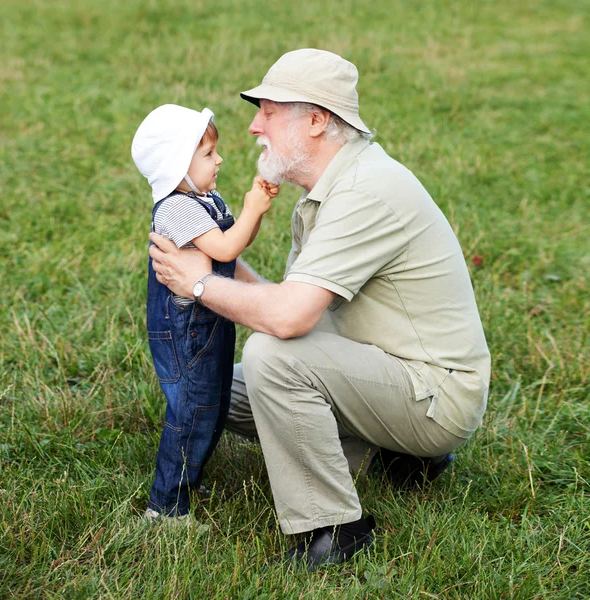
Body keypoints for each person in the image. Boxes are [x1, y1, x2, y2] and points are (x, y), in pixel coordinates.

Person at [148, 49, 491, 565]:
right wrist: (211, 262)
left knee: (274, 359)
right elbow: (294, 300)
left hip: (434, 395)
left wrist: (200, 286)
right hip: (377, 364)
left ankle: (333, 528)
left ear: (315, 120)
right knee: (217, 385)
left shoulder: (364, 192)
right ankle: (392, 454)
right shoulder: (327, 189)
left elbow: (288, 318)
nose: (252, 126)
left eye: (267, 110)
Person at [131, 104, 278, 523]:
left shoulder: (204, 198)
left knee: (210, 406)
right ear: (179, 164)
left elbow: (236, 240)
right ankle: (165, 508)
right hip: (185, 330)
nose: (219, 160)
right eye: (209, 154)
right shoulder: (176, 208)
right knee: (192, 411)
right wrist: (251, 209)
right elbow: (226, 249)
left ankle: (187, 476)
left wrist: (257, 212)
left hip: (211, 320)